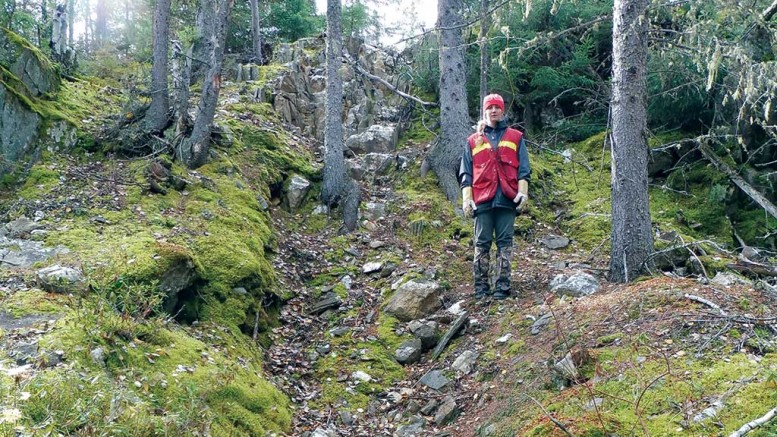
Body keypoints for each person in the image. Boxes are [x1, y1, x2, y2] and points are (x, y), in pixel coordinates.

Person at [459, 93, 531, 299]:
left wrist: (523, 193)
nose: (493, 111)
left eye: (497, 107)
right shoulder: (473, 141)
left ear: (502, 110)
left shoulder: (515, 137)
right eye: (489, 107)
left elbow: (524, 169)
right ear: (484, 110)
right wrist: (466, 199)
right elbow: (466, 172)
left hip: (507, 199)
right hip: (482, 199)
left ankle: (502, 287)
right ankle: (481, 288)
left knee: (505, 243)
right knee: (481, 244)